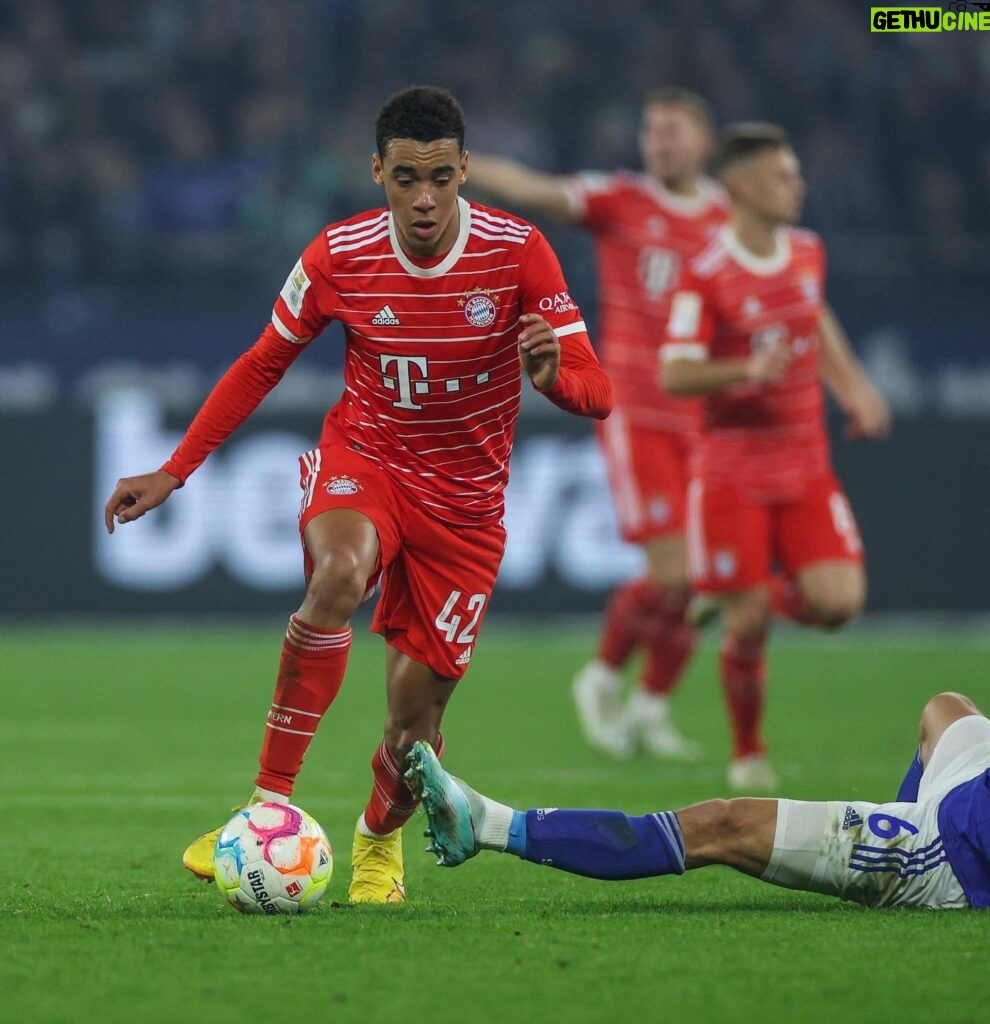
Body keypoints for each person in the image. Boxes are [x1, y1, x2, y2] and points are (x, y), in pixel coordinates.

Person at [103, 86, 612, 904]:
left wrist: (554, 379)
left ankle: (378, 840)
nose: (423, 198)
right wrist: (177, 468)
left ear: (465, 172)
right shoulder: (338, 254)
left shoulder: (521, 253)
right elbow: (262, 361)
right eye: (406, 176)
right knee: (337, 575)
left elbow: (600, 390)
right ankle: (266, 805)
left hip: (467, 508)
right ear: (377, 170)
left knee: (416, 723)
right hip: (366, 460)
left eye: (441, 178)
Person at [469, 89, 729, 761]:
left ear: (704, 142)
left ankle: (649, 707)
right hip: (640, 414)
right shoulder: (622, 200)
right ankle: (603, 675)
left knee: (715, 576)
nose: (659, 143)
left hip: (708, 421)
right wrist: (458, 165)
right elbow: (535, 188)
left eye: (672, 131)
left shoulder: (731, 220)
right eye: (651, 131)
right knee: (676, 572)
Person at [658, 123, 891, 791]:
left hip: (805, 465)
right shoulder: (703, 274)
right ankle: (748, 751)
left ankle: (732, 592)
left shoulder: (808, 251)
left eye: (795, 173)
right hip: (731, 471)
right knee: (751, 621)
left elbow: (814, 317)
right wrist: (745, 372)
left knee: (839, 606)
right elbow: (674, 373)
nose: (799, 185)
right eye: (782, 175)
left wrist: (854, 388)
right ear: (740, 185)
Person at [406, 692, 990, 910]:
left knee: (721, 825)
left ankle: (488, 826)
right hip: (980, 790)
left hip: (955, 851)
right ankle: (885, 873)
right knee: (948, 709)